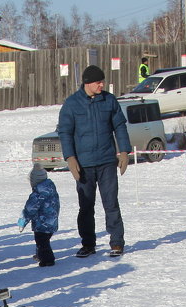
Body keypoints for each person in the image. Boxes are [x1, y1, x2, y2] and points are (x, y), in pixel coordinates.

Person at [57, 65, 130, 257]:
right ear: (88, 83)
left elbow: (120, 126)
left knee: (111, 202)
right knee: (86, 206)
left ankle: (116, 242)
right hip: (84, 164)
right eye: (99, 82)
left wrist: (124, 151)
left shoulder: (109, 100)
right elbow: (64, 132)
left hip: (106, 161)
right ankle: (88, 244)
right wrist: (70, 157)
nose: (102, 85)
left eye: (102, 81)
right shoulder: (72, 104)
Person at [19, 162, 60, 265]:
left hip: (42, 223)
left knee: (42, 242)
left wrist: (23, 221)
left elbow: (30, 209)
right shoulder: (51, 188)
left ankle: (48, 260)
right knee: (43, 241)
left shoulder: (38, 193)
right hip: (52, 220)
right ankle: (40, 255)